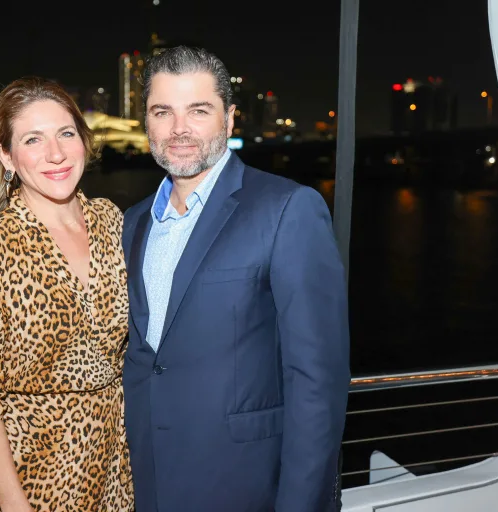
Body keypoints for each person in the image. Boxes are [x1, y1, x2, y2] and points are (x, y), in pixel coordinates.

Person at [122, 46, 350, 512]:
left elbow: (316, 380)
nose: (179, 129)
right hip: (145, 483)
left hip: (246, 487)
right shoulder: (132, 223)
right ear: (146, 121)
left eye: (198, 110)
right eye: (162, 111)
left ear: (229, 119)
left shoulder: (288, 209)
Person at [0, 77, 133, 512]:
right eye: (32, 139)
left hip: (111, 470)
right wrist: (14, 503)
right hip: (27, 476)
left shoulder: (111, 221)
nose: (56, 154)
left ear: (84, 140)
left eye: (66, 133)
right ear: (6, 156)